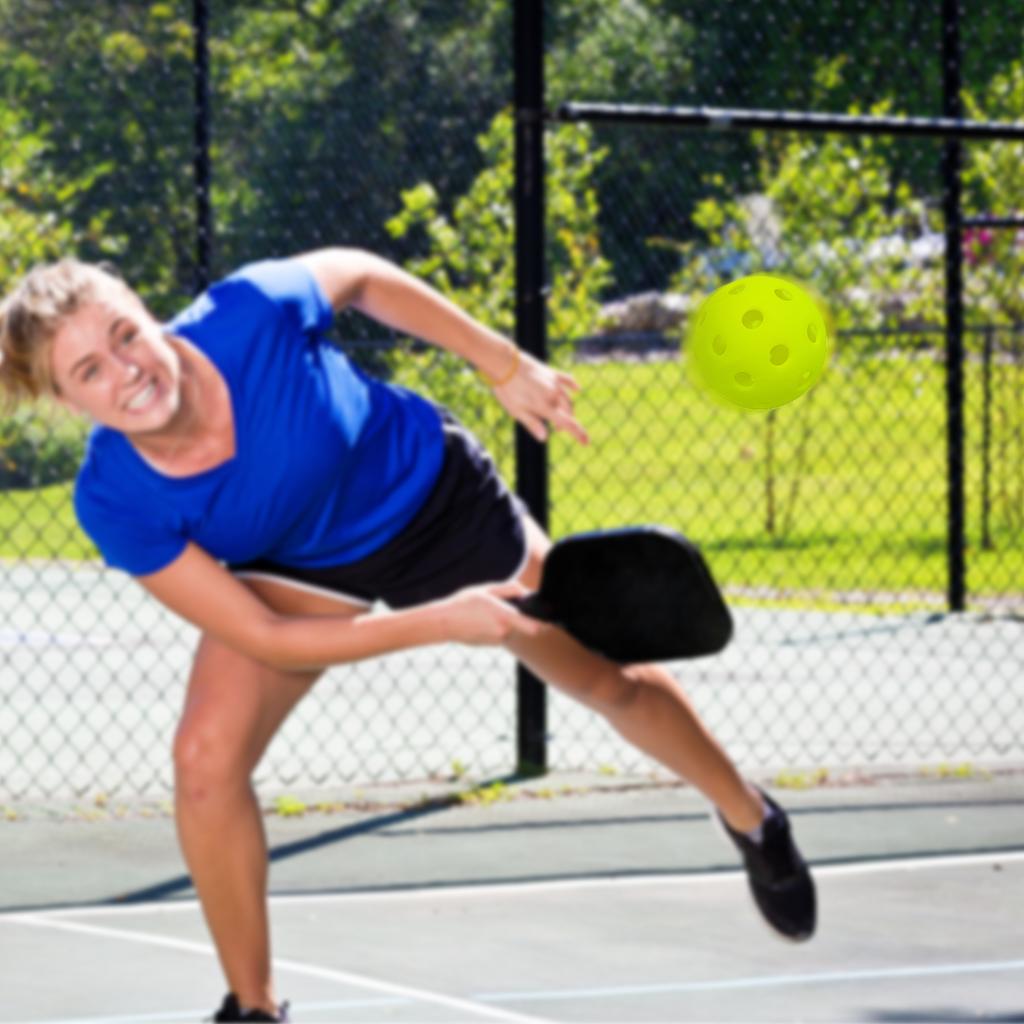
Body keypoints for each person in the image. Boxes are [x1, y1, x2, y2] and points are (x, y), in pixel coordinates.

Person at [0, 249, 815, 1022]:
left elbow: (358, 273)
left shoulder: (250, 313)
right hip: (295, 560)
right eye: (90, 371)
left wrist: (502, 362)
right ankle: (253, 1006)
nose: (127, 370)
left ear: (149, 314)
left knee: (603, 679)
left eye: (125, 335)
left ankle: (751, 817)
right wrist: (438, 623)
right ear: (70, 404)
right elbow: (267, 635)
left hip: (426, 496)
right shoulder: (115, 500)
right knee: (204, 760)